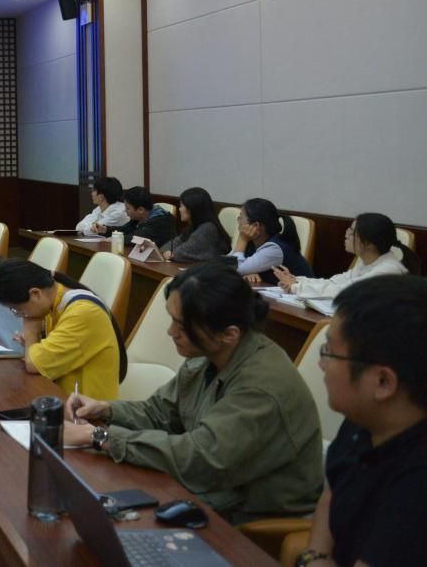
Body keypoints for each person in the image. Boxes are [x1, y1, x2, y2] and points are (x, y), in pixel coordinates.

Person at [65, 263, 322, 524]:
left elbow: (201, 458)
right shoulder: (208, 354)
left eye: (181, 325)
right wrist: (106, 410)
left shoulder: (261, 386)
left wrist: (100, 436)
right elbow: (160, 413)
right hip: (212, 488)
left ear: (229, 334)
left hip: (250, 514)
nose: (171, 332)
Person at [298, 275, 427, 567]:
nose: (321, 364)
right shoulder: (366, 420)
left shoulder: (418, 486)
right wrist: (315, 557)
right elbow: (332, 491)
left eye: (330, 353)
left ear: (382, 382)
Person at [0, 259, 122, 401]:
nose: (21, 315)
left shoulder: (83, 312)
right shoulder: (52, 305)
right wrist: (34, 343)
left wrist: (31, 329)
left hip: (87, 409)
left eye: (18, 310)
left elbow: (34, 364)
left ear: (35, 294)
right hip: (61, 398)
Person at [277, 213, 419, 298]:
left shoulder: (388, 270)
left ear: (369, 244)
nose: (346, 235)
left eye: (352, 232)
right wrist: (297, 281)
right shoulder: (368, 261)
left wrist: (296, 287)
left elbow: (345, 292)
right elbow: (335, 282)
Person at [228, 197, 313, 284]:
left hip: (301, 291)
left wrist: (242, 240)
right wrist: (246, 272)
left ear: (255, 225)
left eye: (241, 218)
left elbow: (233, 269)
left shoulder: (274, 248)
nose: (238, 222)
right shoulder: (252, 242)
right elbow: (225, 264)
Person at [161, 187, 230, 262]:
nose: (179, 209)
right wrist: (167, 252)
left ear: (193, 208)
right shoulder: (193, 226)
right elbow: (168, 246)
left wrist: (171, 254)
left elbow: (181, 253)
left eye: (182, 206)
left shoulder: (208, 228)